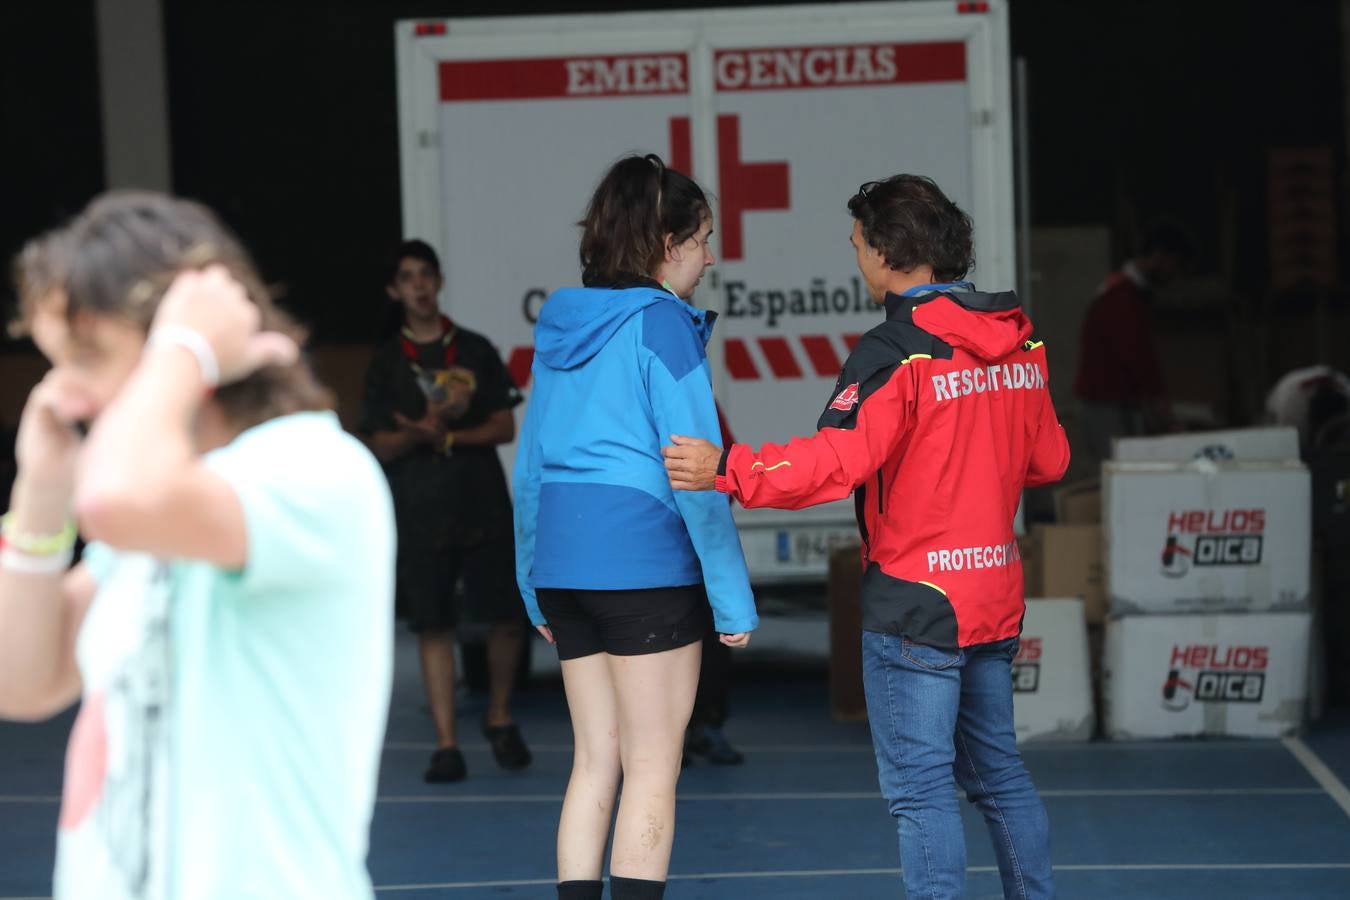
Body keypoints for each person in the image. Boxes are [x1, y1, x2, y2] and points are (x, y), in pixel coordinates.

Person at [664, 174, 1069, 900]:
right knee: (999, 776)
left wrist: (728, 467)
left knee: (922, 796)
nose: (857, 259)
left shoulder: (896, 349)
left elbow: (833, 464)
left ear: (887, 252)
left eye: (857, 244)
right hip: (991, 594)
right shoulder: (1021, 338)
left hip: (915, 603)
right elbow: (1051, 461)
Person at [0, 192, 395, 899]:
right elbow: (22, 681)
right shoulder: (157, 506)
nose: (67, 389)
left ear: (186, 334)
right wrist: (39, 489)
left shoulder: (311, 470)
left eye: (87, 355)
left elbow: (116, 499)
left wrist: (184, 352)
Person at [513, 154, 758, 900]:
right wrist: (733, 599)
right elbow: (696, 473)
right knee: (653, 765)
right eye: (704, 239)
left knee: (596, 759)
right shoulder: (663, 325)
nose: (711, 258)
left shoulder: (559, 324)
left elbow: (530, 465)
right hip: (642, 562)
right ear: (667, 242)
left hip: (562, 561)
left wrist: (531, 582)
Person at [360, 239, 530, 782]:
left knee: (506, 618)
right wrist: (416, 436)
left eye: (426, 275)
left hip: (479, 497)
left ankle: (499, 716)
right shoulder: (387, 363)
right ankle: (446, 742)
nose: (419, 285)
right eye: (407, 277)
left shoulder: (475, 349)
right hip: (419, 506)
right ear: (395, 290)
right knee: (433, 624)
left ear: (438, 281)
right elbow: (376, 444)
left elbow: (505, 426)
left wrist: (452, 433)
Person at [1072, 221, 1192, 467]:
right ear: (1160, 256)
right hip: (1106, 407)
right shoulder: (1121, 298)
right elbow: (1136, 358)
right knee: (1120, 475)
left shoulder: (1125, 293)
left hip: (1113, 404)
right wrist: (1161, 410)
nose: (1173, 274)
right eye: (1174, 265)